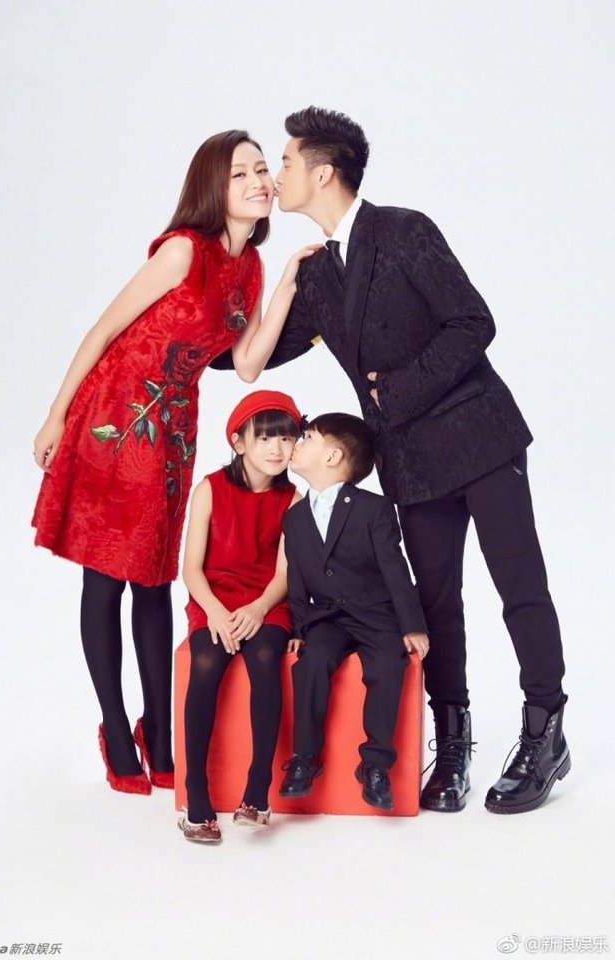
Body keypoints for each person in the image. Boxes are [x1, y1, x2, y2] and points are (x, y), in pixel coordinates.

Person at [214, 106, 570, 815]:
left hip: (481, 438)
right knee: (436, 605)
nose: (275, 175)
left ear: (323, 173)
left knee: (520, 587)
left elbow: (474, 321)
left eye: (284, 163)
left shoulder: (405, 230)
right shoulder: (317, 275)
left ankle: (545, 733)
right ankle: (454, 743)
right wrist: (235, 268)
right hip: (412, 462)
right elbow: (245, 354)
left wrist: (395, 391)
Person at [31, 130, 318, 795]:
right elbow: (104, 330)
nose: (258, 181)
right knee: (109, 576)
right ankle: (115, 730)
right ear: (213, 187)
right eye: (240, 173)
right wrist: (56, 414)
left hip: (173, 431)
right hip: (115, 413)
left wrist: (287, 286)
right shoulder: (184, 250)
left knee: (156, 576)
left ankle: (158, 731)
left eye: (261, 170)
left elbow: (246, 365)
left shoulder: (250, 267)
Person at [278, 413, 429, 811]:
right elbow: (296, 578)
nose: (296, 443)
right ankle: (304, 758)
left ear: (333, 456)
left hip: (375, 615)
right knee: (312, 662)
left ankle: (375, 764)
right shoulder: (294, 518)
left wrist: (412, 625)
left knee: (387, 665)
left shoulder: (373, 509)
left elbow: (395, 569)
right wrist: (299, 628)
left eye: (307, 438)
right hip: (327, 617)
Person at [177, 391, 302, 843]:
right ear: (239, 442)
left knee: (266, 659)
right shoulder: (210, 488)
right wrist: (215, 611)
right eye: (265, 438)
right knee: (206, 661)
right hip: (215, 598)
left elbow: (284, 573)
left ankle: (257, 791)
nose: (277, 449)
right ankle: (196, 795)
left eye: (286, 439)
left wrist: (258, 608)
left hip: (267, 600)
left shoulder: (292, 498)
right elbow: (191, 568)